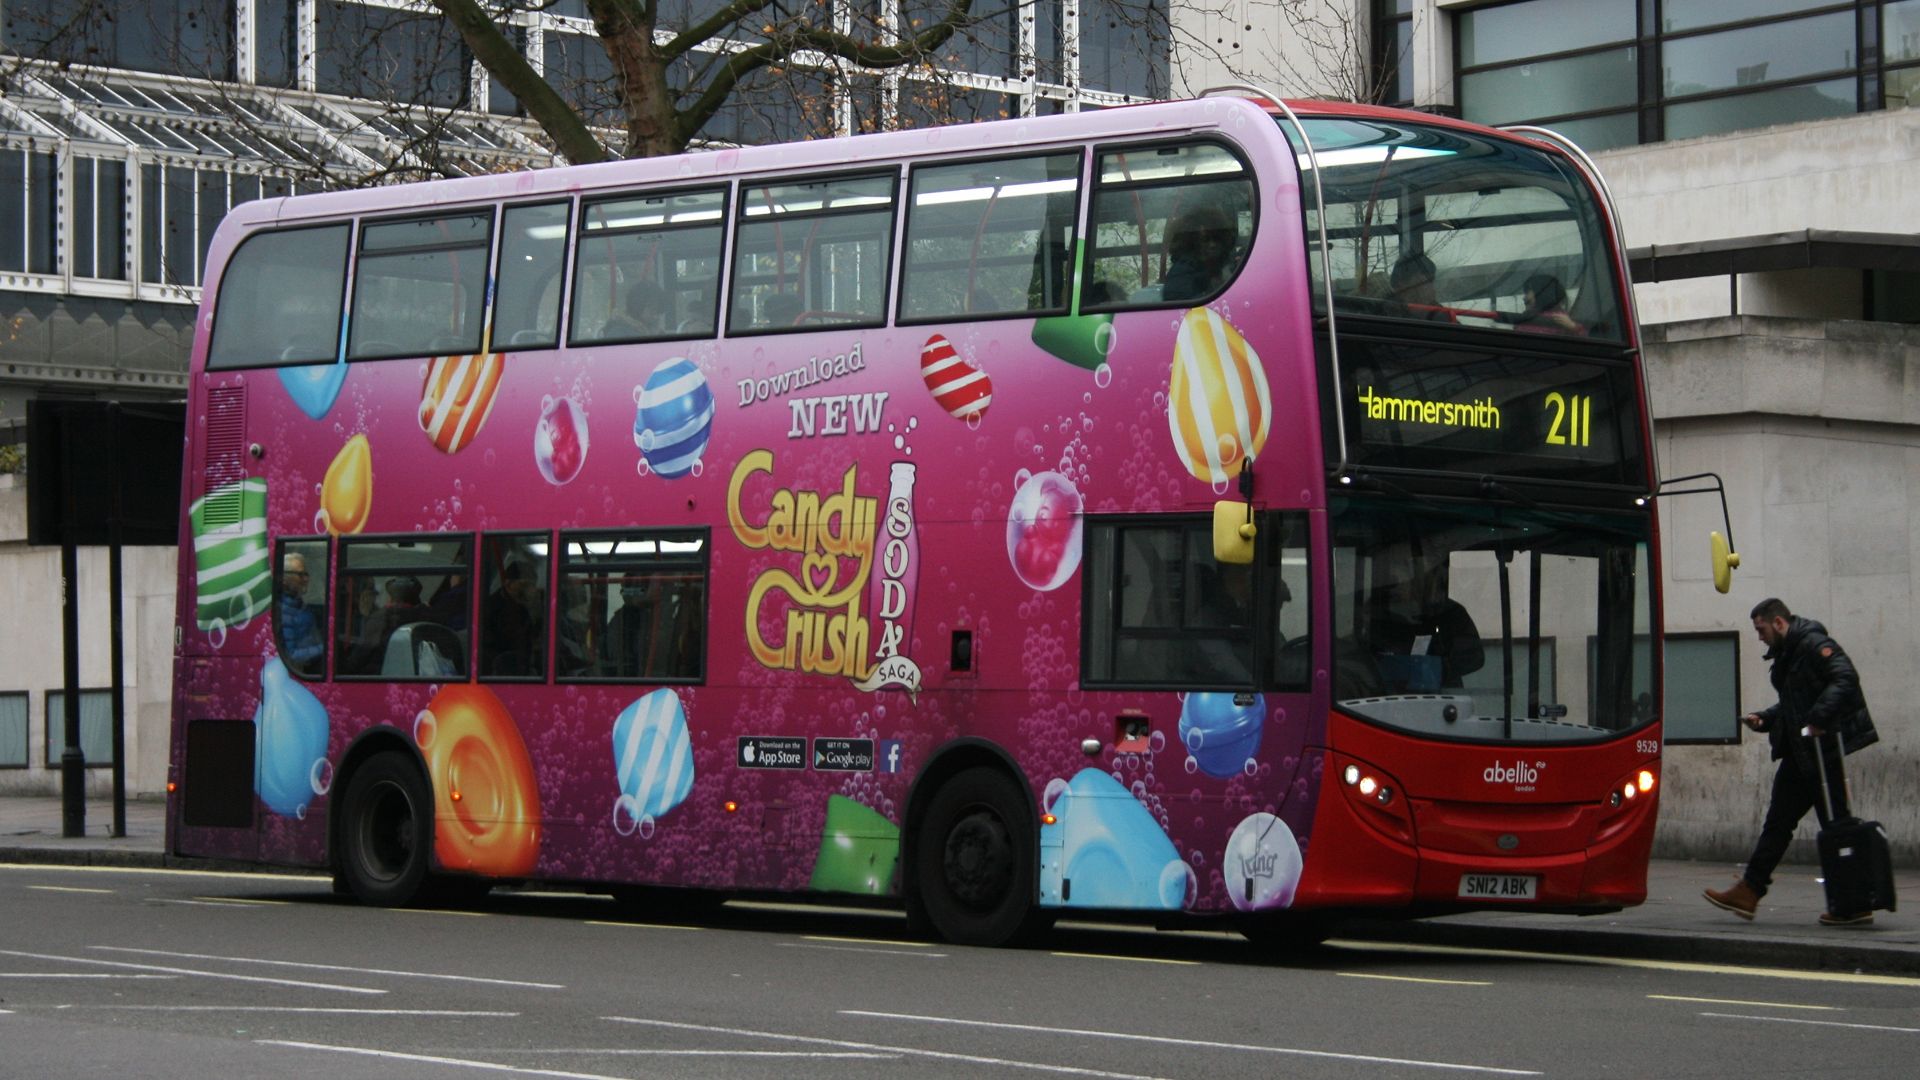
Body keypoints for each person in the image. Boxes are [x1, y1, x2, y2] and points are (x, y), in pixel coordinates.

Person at [1705, 598, 1879, 926]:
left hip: (1821, 752)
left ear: (1779, 623)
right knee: (1781, 824)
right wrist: (1766, 718)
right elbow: (1793, 702)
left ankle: (1854, 904)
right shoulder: (1791, 651)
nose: (1759, 636)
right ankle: (1750, 891)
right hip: (1802, 754)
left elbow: (1845, 678)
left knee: (1836, 828)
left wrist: (1818, 718)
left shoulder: (1814, 644)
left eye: (1761, 629)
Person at [1159, 203, 1238, 302]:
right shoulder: (1182, 272)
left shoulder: (1228, 266)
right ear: (1190, 243)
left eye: (1217, 238)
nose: (1212, 245)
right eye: (1205, 239)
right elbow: (1181, 308)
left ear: (1224, 240)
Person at [481, 561, 542, 677]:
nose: (531, 590)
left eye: (532, 585)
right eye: (525, 585)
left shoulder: (522, 608)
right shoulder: (491, 608)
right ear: (508, 584)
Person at [277, 552, 324, 675]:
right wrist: (324, 649)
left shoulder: (298, 605)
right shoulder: (284, 612)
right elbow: (291, 655)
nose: (306, 579)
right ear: (284, 579)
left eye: (306, 574)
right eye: (300, 575)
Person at [1389, 253, 1454, 322]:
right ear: (1402, 286)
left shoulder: (1439, 313)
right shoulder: (1386, 315)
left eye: (1431, 282)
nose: (1432, 289)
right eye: (1425, 282)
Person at [1516, 273, 1584, 335]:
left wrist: (1573, 327)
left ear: (1541, 293)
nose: (1524, 298)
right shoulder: (1529, 316)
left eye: (1527, 292)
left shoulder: (1558, 318)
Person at [600, 280, 667, 339]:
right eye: (650, 307)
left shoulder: (656, 332)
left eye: (657, 308)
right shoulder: (618, 333)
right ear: (637, 305)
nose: (655, 313)